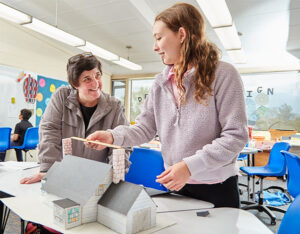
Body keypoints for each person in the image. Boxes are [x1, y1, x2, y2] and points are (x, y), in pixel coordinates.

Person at [85, 3, 248, 208]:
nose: (155, 47)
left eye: (159, 37)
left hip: (216, 187)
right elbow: (145, 128)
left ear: (181, 34)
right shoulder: (161, 82)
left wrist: (189, 167)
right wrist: (112, 136)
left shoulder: (223, 74)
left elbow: (235, 136)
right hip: (175, 183)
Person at [20, 52, 129, 184]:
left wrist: (113, 180)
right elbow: (49, 132)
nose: (96, 83)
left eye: (97, 75)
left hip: (98, 179)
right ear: (74, 83)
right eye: (87, 79)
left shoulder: (114, 106)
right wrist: (48, 170)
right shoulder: (61, 96)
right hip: (64, 176)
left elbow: (122, 144)